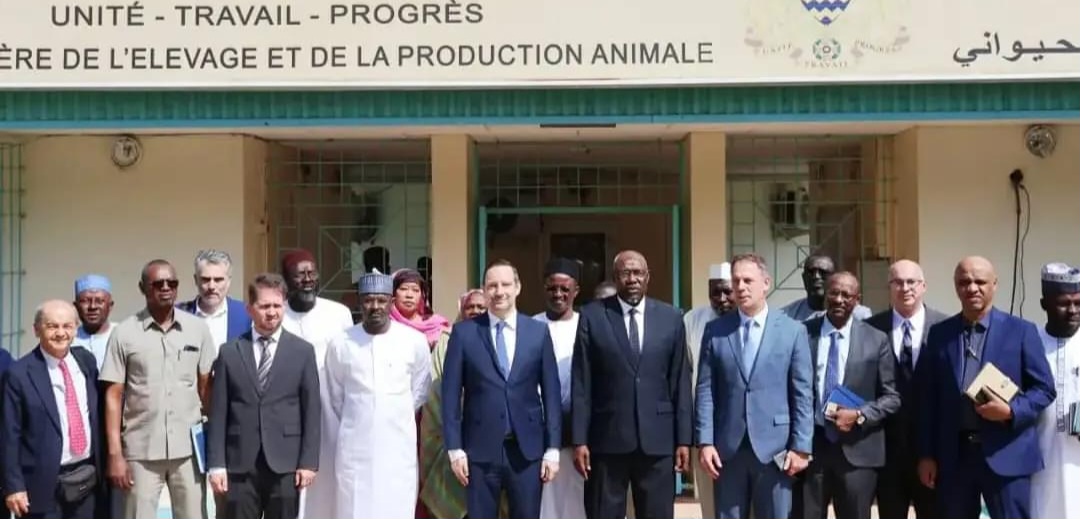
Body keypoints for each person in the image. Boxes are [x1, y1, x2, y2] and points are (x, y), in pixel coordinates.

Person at [916, 256, 1055, 519]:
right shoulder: (939, 334)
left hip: (1007, 453)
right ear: (956, 286)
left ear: (994, 284)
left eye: (980, 281)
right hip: (955, 457)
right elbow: (928, 399)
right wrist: (926, 455)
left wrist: (1011, 411)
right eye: (964, 282)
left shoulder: (1021, 331)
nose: (972, 288)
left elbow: (1044, 388)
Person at [572, 250, 692, 519]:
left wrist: (684, 439)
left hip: (658, 441)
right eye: (626, 273)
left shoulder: (671, 317)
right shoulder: (592, 315)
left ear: (648, 277)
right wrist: (580, 439)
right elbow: (582, 382)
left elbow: (680, 382)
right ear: (615, 278)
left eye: (638, 273)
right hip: (607, 439)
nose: (633, 279)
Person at [695, 252, 812, 519]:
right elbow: (705, 390)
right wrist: (705, 441)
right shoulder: (716, 330)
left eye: (748, 280)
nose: (740, 287)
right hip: (728, 449)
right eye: (736, 281)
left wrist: (801, 446)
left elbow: (803, 393)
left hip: (776, 449)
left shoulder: (792, 331)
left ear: (766, 283)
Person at [443, 259, 561, 519]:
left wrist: (553, 448)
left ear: (518, 287)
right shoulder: (464, 333)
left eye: (506, 284)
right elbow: (450, 397)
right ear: (484, 290)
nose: (499, 291)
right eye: (492, 286)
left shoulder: (538, 332)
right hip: (479, 451)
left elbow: (551, 394)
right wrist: (455, 449)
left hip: (527, 452)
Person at [100, 259, 216, 519]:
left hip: (188, 450)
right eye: (158, 283)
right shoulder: (124, 333)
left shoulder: (197, 329)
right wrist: (115, 453)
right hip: (140, 450)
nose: (165, 288)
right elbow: (114, 395)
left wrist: (214, 447)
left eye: (171, 283)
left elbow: (206, 389)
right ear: (143, 288)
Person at [206, 273, 321, 519]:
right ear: (250, 309)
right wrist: (216, 464)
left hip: (286, 464)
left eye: (277, 306)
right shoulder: (230, 352)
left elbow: (312, 410)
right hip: (240, 464)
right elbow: (218, 413)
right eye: (264, 306)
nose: (271, 312)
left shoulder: (302, 352)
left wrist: (308, 462)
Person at [325, 269, 433, 518]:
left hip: (398, 447)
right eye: (368, 300)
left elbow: (419, 390)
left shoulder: (413, 341)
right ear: (359, 302)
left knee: (396, 506)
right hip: (354, 448)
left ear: (391, 302)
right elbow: (334, 395)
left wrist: (390, 411)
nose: (375, 306)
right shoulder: (341, 343)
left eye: (381, 300)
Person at [795, 272, 900, 519]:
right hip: (812, 448)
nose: (840, 299)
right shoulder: (803, 334)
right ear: (826, 295)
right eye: (834, 293)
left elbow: (892, 397)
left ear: (857, 299)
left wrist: (860, 414)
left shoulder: (876, 339)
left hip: (858, 451)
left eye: (847, 295)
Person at [2, 300, 101, 519]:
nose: (60, 333)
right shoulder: (19, 374)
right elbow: (9, 435)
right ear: (36, 330)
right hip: (41, 485)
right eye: (52, 326)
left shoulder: (86, 362)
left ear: (76, 328)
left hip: (86, 479)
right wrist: (14, 486)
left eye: (67, 326)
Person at [866, 260, 947, 519]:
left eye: (912, 281)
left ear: (923, 286)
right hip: (886, 452)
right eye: (898, 282)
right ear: (889, 287)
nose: (905, 288)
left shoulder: (945, 328)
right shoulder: (870, 328)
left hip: (934, 452)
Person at [278, 249, 354, 519]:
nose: (308, 279)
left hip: (330, 409)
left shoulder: (338, 313)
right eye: (300, 275)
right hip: (286, 409)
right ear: (286, 280)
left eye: (312, 273)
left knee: (327, 479)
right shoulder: (278, 313)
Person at [420, 289, 488, 519]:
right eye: (470, 307)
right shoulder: (447, 340)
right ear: (461, 309)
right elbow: (436, 387)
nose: (476, 311)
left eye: (481, 307)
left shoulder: (500, 338)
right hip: (449, 439)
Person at [388, 268, 451, 518]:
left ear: (423, 295)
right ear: (392, 294)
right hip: (399, 414)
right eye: (403, 289)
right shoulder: (384, 329)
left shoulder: (439, 327)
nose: (409, 295)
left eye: (415, 290)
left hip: (432, 414)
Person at [683, 262, 735, 519]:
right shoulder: (692, 319)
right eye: (715, 292)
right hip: (704, 428)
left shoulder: (749, 320)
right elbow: (686, 372)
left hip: (741, 428)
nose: (722, 299)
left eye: (727, 291)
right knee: (710, 502)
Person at [535, 258, 586, 519]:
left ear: (576, 290)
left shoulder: (586, 326)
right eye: (552, 288)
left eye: (565, 289)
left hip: (577, 429)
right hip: (539, 429)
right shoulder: (531, 326)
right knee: (545, 499)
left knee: (578, 497)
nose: (558, 294)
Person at [1031, 263, 1080, 518]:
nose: (1073, 310)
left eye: (1078, 303)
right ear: (1044, 304)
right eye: (1064, 303)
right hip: (1040, 458)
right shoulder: (1030, 343)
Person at [177, 249, 252, 347]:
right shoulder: (178, 314)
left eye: (218, 280)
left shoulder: (246, 314)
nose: (211, 286)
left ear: (229, 281)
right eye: (205, 279)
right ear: (196, 280)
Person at [780, 254, 871, 322]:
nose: (816, 277)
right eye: (811, 272)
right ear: (804, 279)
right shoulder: (787, 316)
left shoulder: (858, 315)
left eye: (823, 273)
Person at [71, 274, 117, 369]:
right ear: (75, 306)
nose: (92, 307)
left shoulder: (122, 335)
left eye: (99, 301)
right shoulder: (68, 339)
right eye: (85, 301)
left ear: (110, 306)